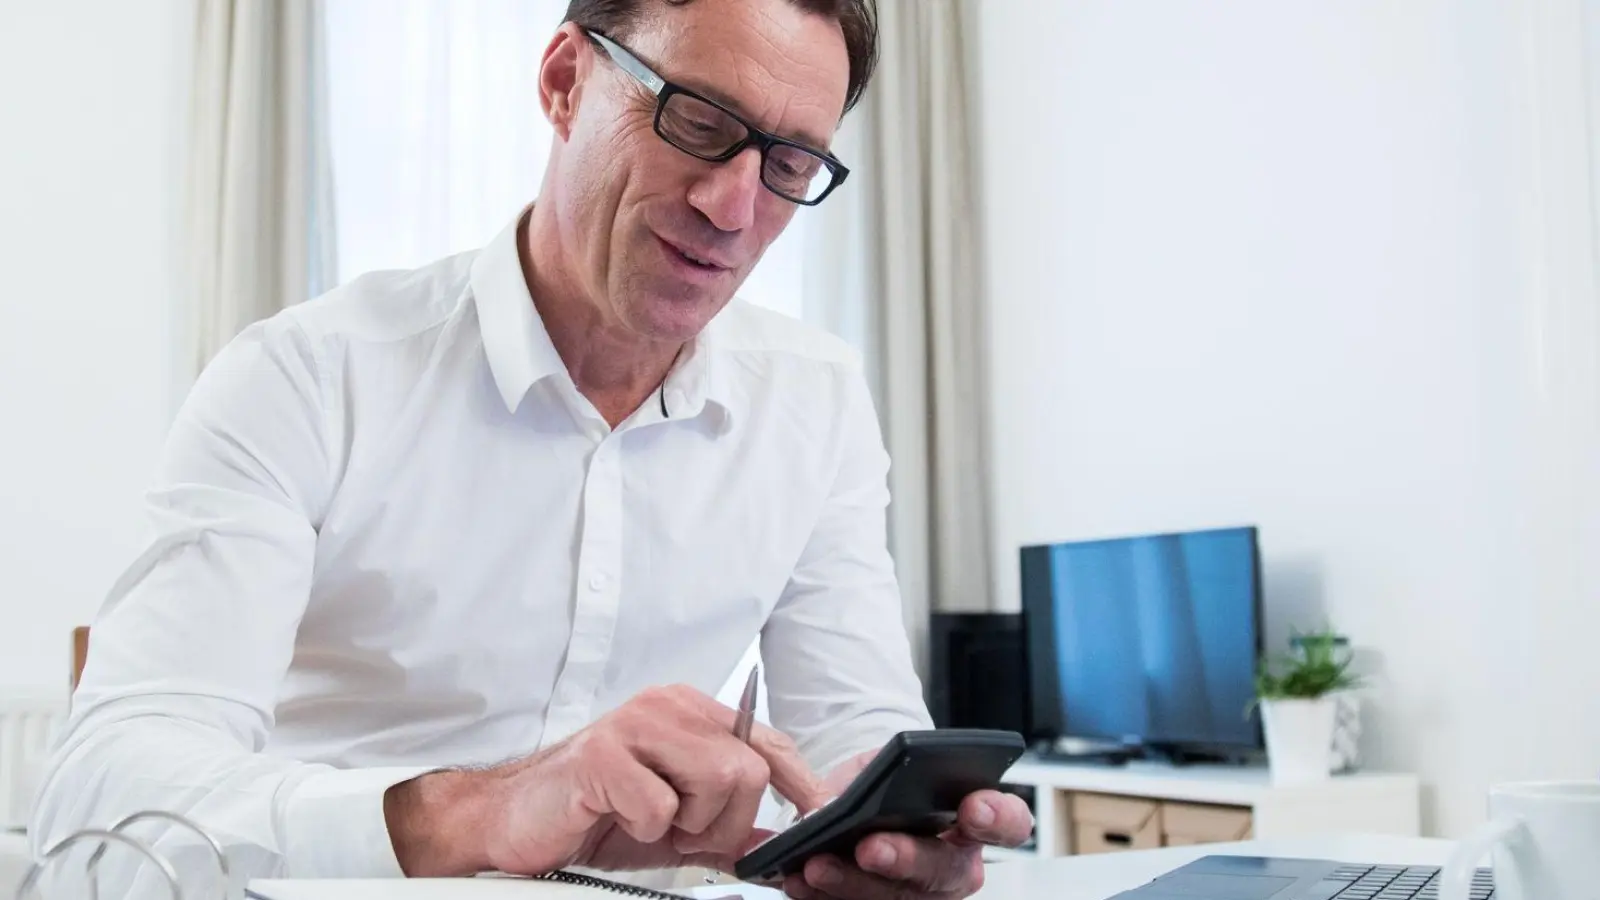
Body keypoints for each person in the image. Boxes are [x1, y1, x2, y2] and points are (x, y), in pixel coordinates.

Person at [30, 0, 1034, 897]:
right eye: (699, 120)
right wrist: (487, 812)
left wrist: (888, 834)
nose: (735, 210)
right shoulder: (307, 377)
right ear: (564, 82)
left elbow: (850, 735)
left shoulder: (814, 404)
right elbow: (100, 815)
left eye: (789, 164)